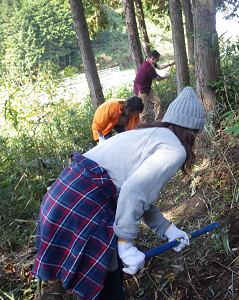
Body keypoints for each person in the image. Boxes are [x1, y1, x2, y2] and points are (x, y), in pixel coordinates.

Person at [31, 87, 205, 300]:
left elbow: (135, 190)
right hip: (84, 204)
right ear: (192, 131)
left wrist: (167, 229)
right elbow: (134, 191)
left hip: (63, 195)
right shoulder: (174, 148)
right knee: (107, 275)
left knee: (108, 272)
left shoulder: (146, 134)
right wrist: (125, 243)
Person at [133, 50, 175, 123]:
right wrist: (166, 76)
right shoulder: (147, 67)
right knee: (143, 110)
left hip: (147, 88)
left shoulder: (149, 62)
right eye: (157, 59)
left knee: (157, 102)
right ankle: (143, 127)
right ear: (152, 58)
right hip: (141, 89)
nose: (158, 61)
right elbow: (158, 79)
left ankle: (159, 120)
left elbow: (158, 67)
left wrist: (169, 64)